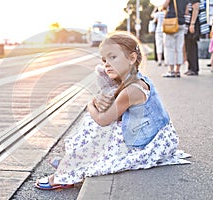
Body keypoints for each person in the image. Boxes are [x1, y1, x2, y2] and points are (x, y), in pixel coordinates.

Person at [35, 31, 190, 190]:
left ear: (131, 58)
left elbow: (103, 120)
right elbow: (108, 99)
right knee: (102, 131)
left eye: (113, 57)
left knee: (95, 126)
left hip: (151, 142)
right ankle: (75, 161)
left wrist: (90, 104)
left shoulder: (131, 91)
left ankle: (66, 173)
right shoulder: (135, 77)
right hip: (153, 133)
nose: (106, 64)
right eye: (104, 60)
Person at [162, 0, 189, 78]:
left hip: (171, 22)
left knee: (170, 47)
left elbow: (164, 6)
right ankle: (178, 70)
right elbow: (186, 12)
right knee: (179, 48)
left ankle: (171, 70)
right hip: (181, 23)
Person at [184, 0, 200, 76]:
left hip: (192, 24)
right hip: (188, 25)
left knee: (191, 46)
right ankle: (191, 67)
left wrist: (192, 24)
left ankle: (193, 68)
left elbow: (196, 8)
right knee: (189, 46)